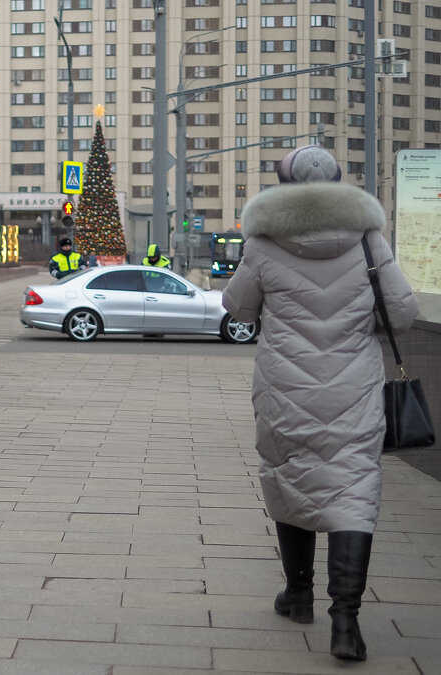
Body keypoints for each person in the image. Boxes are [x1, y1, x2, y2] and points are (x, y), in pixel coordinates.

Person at [223, 146, 418, 662]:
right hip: (353, 387)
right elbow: (403, 313)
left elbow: (238, 309)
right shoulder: (368, 239)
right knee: (354, 489)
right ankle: (346, 621)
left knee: (291, 476)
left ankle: (300, 594)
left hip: (285, 387)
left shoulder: (263, 242)